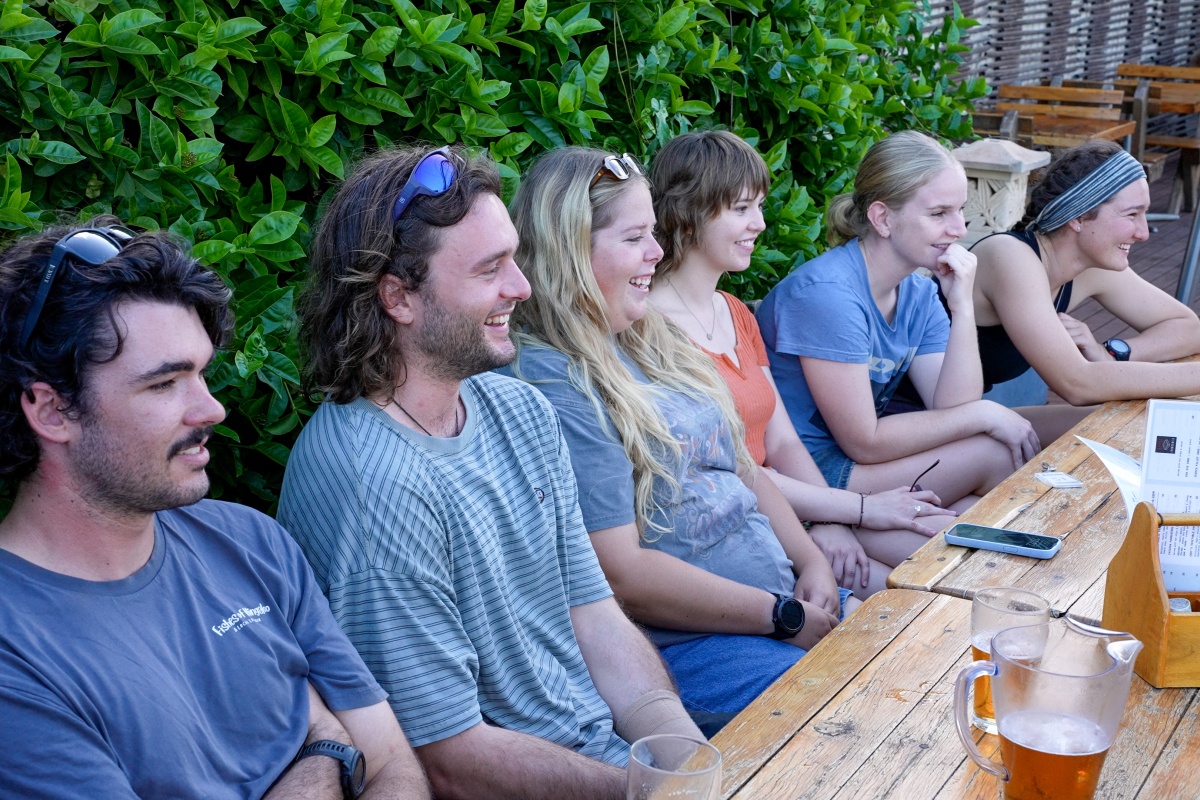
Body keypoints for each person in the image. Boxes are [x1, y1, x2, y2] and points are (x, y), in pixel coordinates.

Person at [277, 145, 701, 800]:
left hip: (609, 766)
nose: (522, 287)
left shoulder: (518, 408)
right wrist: (639, 792)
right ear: (399, 297)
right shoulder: (372, 481)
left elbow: (595, 617)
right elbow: (449, 758)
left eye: (514, 257)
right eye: (489, 269)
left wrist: (682, 756)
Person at [0, 220, 428, 799]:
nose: (213, 409)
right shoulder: (15, 650)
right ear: (51, 411)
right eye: (163, 384)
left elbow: (394, 770)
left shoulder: (252, 544)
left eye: (200, 372)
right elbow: (356, 755)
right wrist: (322, 745)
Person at [504, 146, 859, 729]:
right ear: (570, 249)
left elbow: (742, 466)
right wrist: (782, 616)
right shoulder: (556, 379)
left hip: (783, 602)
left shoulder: (645, 332)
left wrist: (812, 559)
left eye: (654, 233)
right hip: (691, 645)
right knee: (855, 720)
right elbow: (623, 575)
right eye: (634, 238)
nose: (657, 252)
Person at [648, 130, 957, 594]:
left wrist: (829, 517)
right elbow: (729, 471)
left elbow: (783, 440)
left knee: (943, 562)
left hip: (791, 505)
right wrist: (842, 514)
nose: (759, 224)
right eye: (740, 209)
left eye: (759, 207)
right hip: (735, 531)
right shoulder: (650, 328)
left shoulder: (733, 312)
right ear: (687, 214)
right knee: (913, 596)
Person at [756, 131, 1040, 537]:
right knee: (995, 454)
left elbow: (953, 405)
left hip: (861, 468)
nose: (959, 229)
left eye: (960, 210)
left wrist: (961, 308)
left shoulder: (920, 291)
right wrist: (986, 413)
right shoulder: (828, 297)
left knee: (974, 501)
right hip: (813, 475)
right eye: (939, 213)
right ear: (883, 218)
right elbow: (864, 442)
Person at [967, 140, 1200, 442]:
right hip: (912, 420)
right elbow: (1076, 384)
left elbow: (1189, 328)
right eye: (1131, 215)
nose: (1143, 233)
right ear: (1077, 217)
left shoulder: (1090, 266)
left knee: (1135, 428)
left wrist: (1115, 354)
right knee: (1123, 432)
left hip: (967, 417)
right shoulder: (1008, 256)